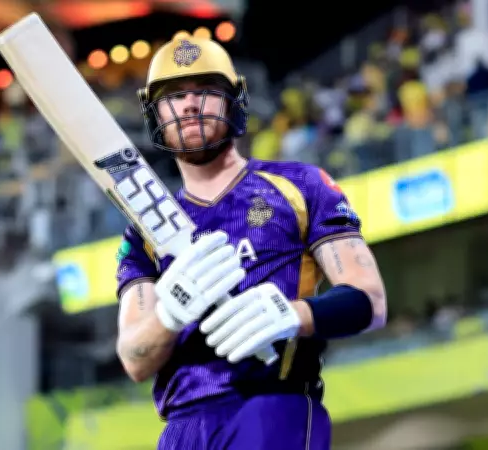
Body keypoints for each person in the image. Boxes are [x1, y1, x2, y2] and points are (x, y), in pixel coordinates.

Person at [115, 37, 387, 450]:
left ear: (233, 101)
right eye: (173, 96)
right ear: (155, 114)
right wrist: (168, 313)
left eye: (204, 90)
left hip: (271, 408)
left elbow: (370, 301)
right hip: (180, 431)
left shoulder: (301, 185)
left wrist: (292, 315)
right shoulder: (144, 232)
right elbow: (134, 358)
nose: (188, 105)